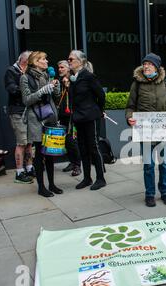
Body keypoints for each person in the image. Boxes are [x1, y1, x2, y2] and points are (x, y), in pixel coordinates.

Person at [126, 53, 166, 208]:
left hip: (163, 131)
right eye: (144, 64)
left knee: (164, 164)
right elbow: (130, 107)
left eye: (149, 64)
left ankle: (165, 192)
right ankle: (149, 194)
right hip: (146, 132)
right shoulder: (137, 84)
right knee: (148, 165)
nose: (146, 66)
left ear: (156, 66)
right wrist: (129, 117)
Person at [20, 51, 63, 197]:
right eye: (43, 59)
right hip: (36, 120)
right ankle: (41, 187)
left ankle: (51, 184)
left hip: (49, 117)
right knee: (39, 153)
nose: (46, 61)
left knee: (50, 153)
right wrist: (42, 91)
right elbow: (27, 100)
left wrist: (55, 86)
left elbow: (56, 97)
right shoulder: (25, 78)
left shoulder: (47, 75)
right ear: (36, 61)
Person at [68, 50, 107, 191]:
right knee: (82, 148)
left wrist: (99, 110)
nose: (69, 62)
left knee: (93, 147)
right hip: (78, 118)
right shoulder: (73, 78)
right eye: (69, 59)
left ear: (81, 61)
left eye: (71, 59)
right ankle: (87, 178)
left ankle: (100, 178)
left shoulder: (88, 76)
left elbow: (101, 95)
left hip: (91, 117)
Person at [4, 51, 35, 184]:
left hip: (29, 110)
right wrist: (26, 90)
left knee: (29, 142)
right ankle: (19, 172)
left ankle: (29, 168)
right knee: (21, 142)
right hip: (17, 111)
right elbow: (11, 88)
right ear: (23, 60)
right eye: (31, 59)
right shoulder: (11, 71)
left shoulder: (30, 71)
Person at [57, 60, 82, 177]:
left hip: (72, 115)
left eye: (62, 67)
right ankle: (72, 162)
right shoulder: (59, 81)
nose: (60, 70)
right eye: (59, 68)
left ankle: (78, 165)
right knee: (66, 141)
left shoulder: (73, 80)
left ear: (68, 69)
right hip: (62, 115)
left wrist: (69, 86)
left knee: (72, 140)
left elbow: (77, 96)